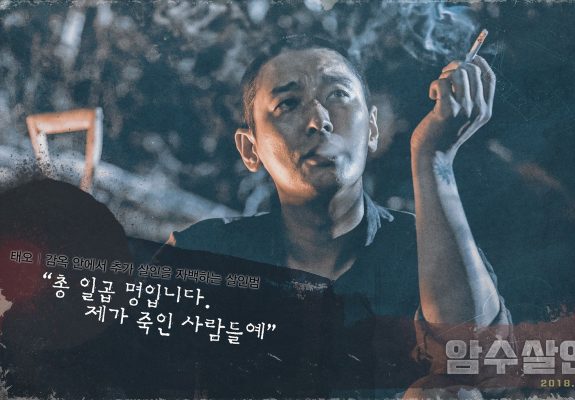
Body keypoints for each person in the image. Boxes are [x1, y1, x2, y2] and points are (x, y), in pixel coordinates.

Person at [154, 35, 511, 398]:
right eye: (288, 103)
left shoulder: (427, 252)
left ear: (372, 128)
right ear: (250, 148)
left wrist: (432, 158)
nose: (319, 120)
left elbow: (477, 361)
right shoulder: (203, 256)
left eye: (338, 95)